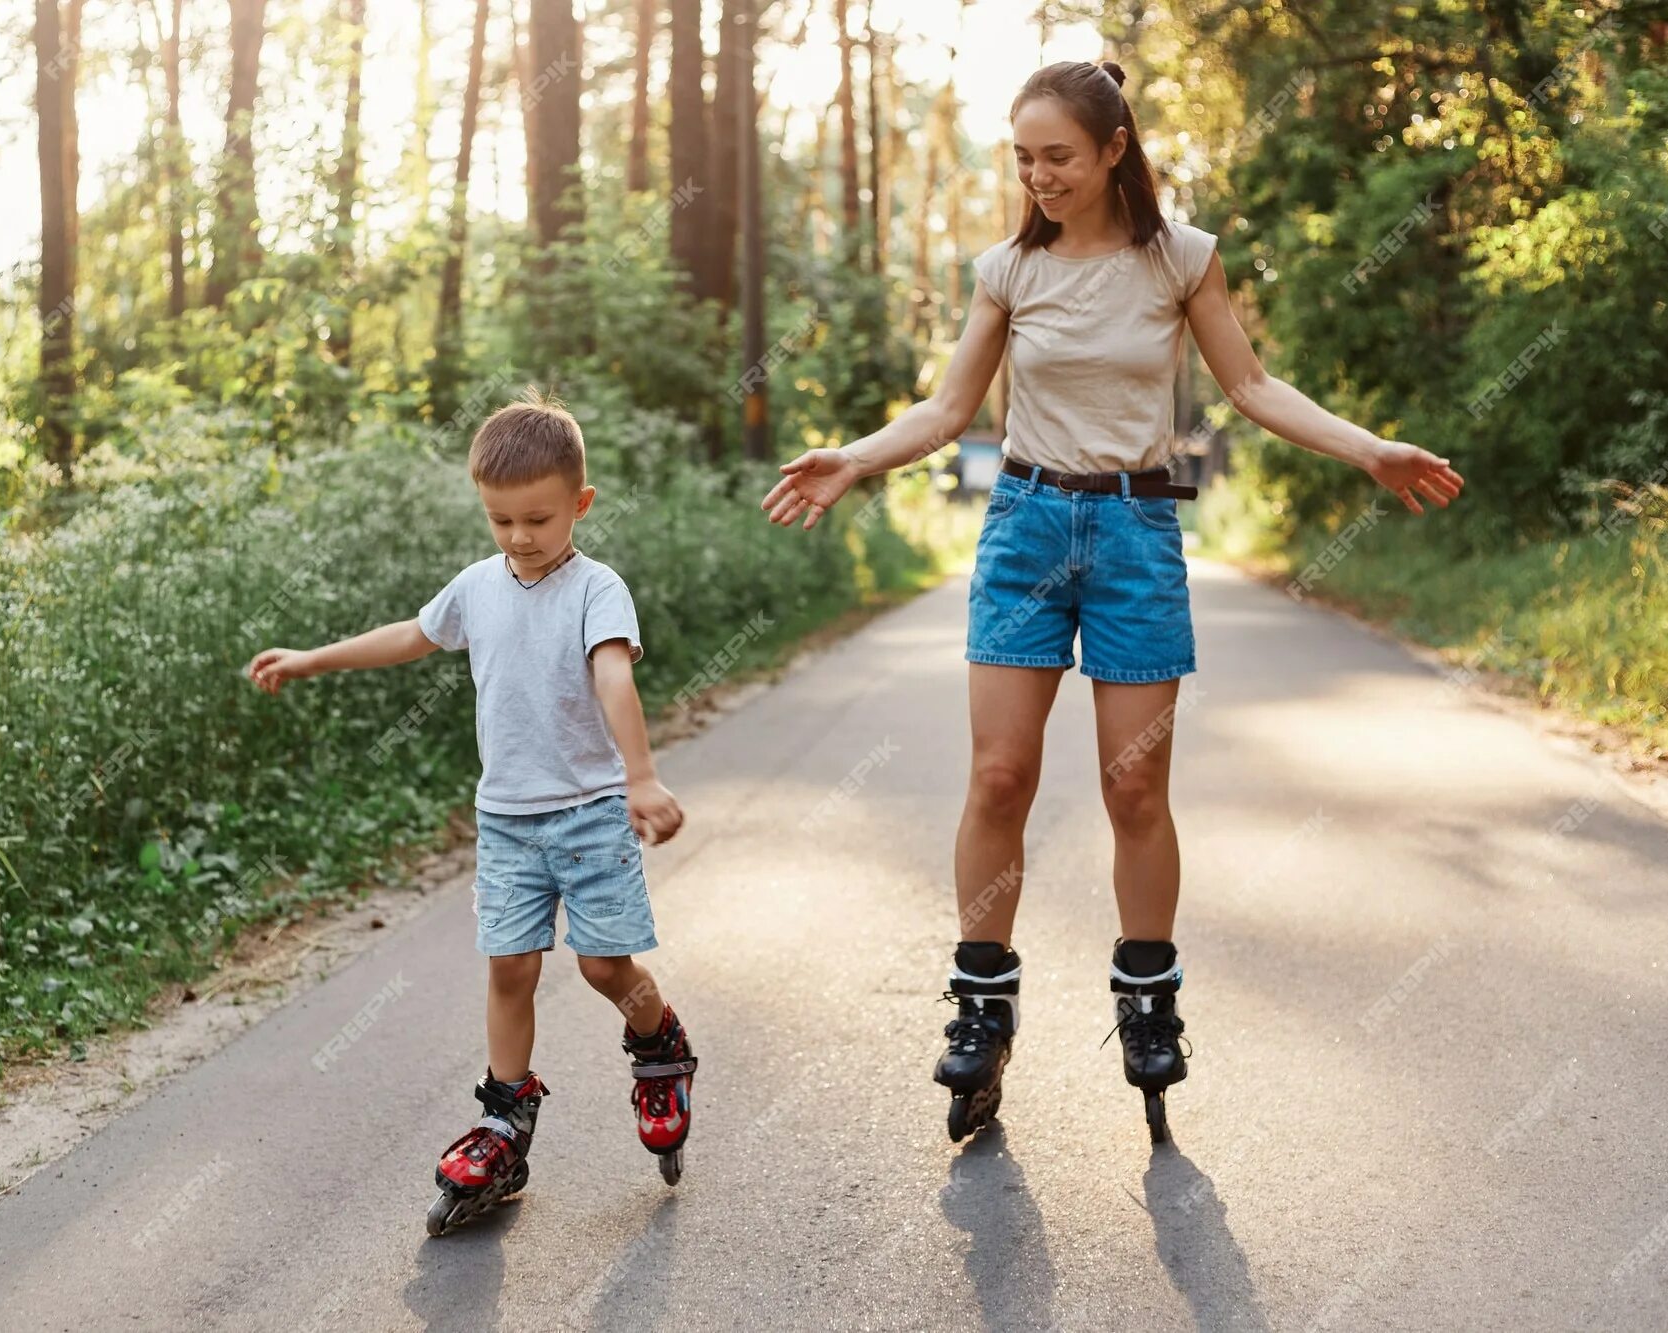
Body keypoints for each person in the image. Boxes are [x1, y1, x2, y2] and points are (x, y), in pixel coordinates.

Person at [760, 59, 1464, 1144]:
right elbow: (948, 409)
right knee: (998, 775)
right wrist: (851, 458)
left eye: (1056, 156)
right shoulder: (1006, 271)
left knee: (1133, 793)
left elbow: (1252, 388)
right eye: (1023, 158)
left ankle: (1146, 1000)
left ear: (1110, 151)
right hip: (1025, 527)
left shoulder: (1180, 261)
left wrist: (1367, 449)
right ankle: (981, 1008)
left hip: (1135, 534)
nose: (1037, 176)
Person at [245, 388, 698, 1231]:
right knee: (510, 968)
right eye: (501, 521)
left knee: (605, 968)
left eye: (538, 518)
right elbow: (411, 636)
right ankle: (505, 1117)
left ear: (580, 505)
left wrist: (640, 775)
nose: (520, 538)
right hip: (508, 820)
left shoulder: (599, 589)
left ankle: (660, 1046)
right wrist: (311, 659)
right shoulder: (477, 586)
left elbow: (613, 676)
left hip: (594, 812)